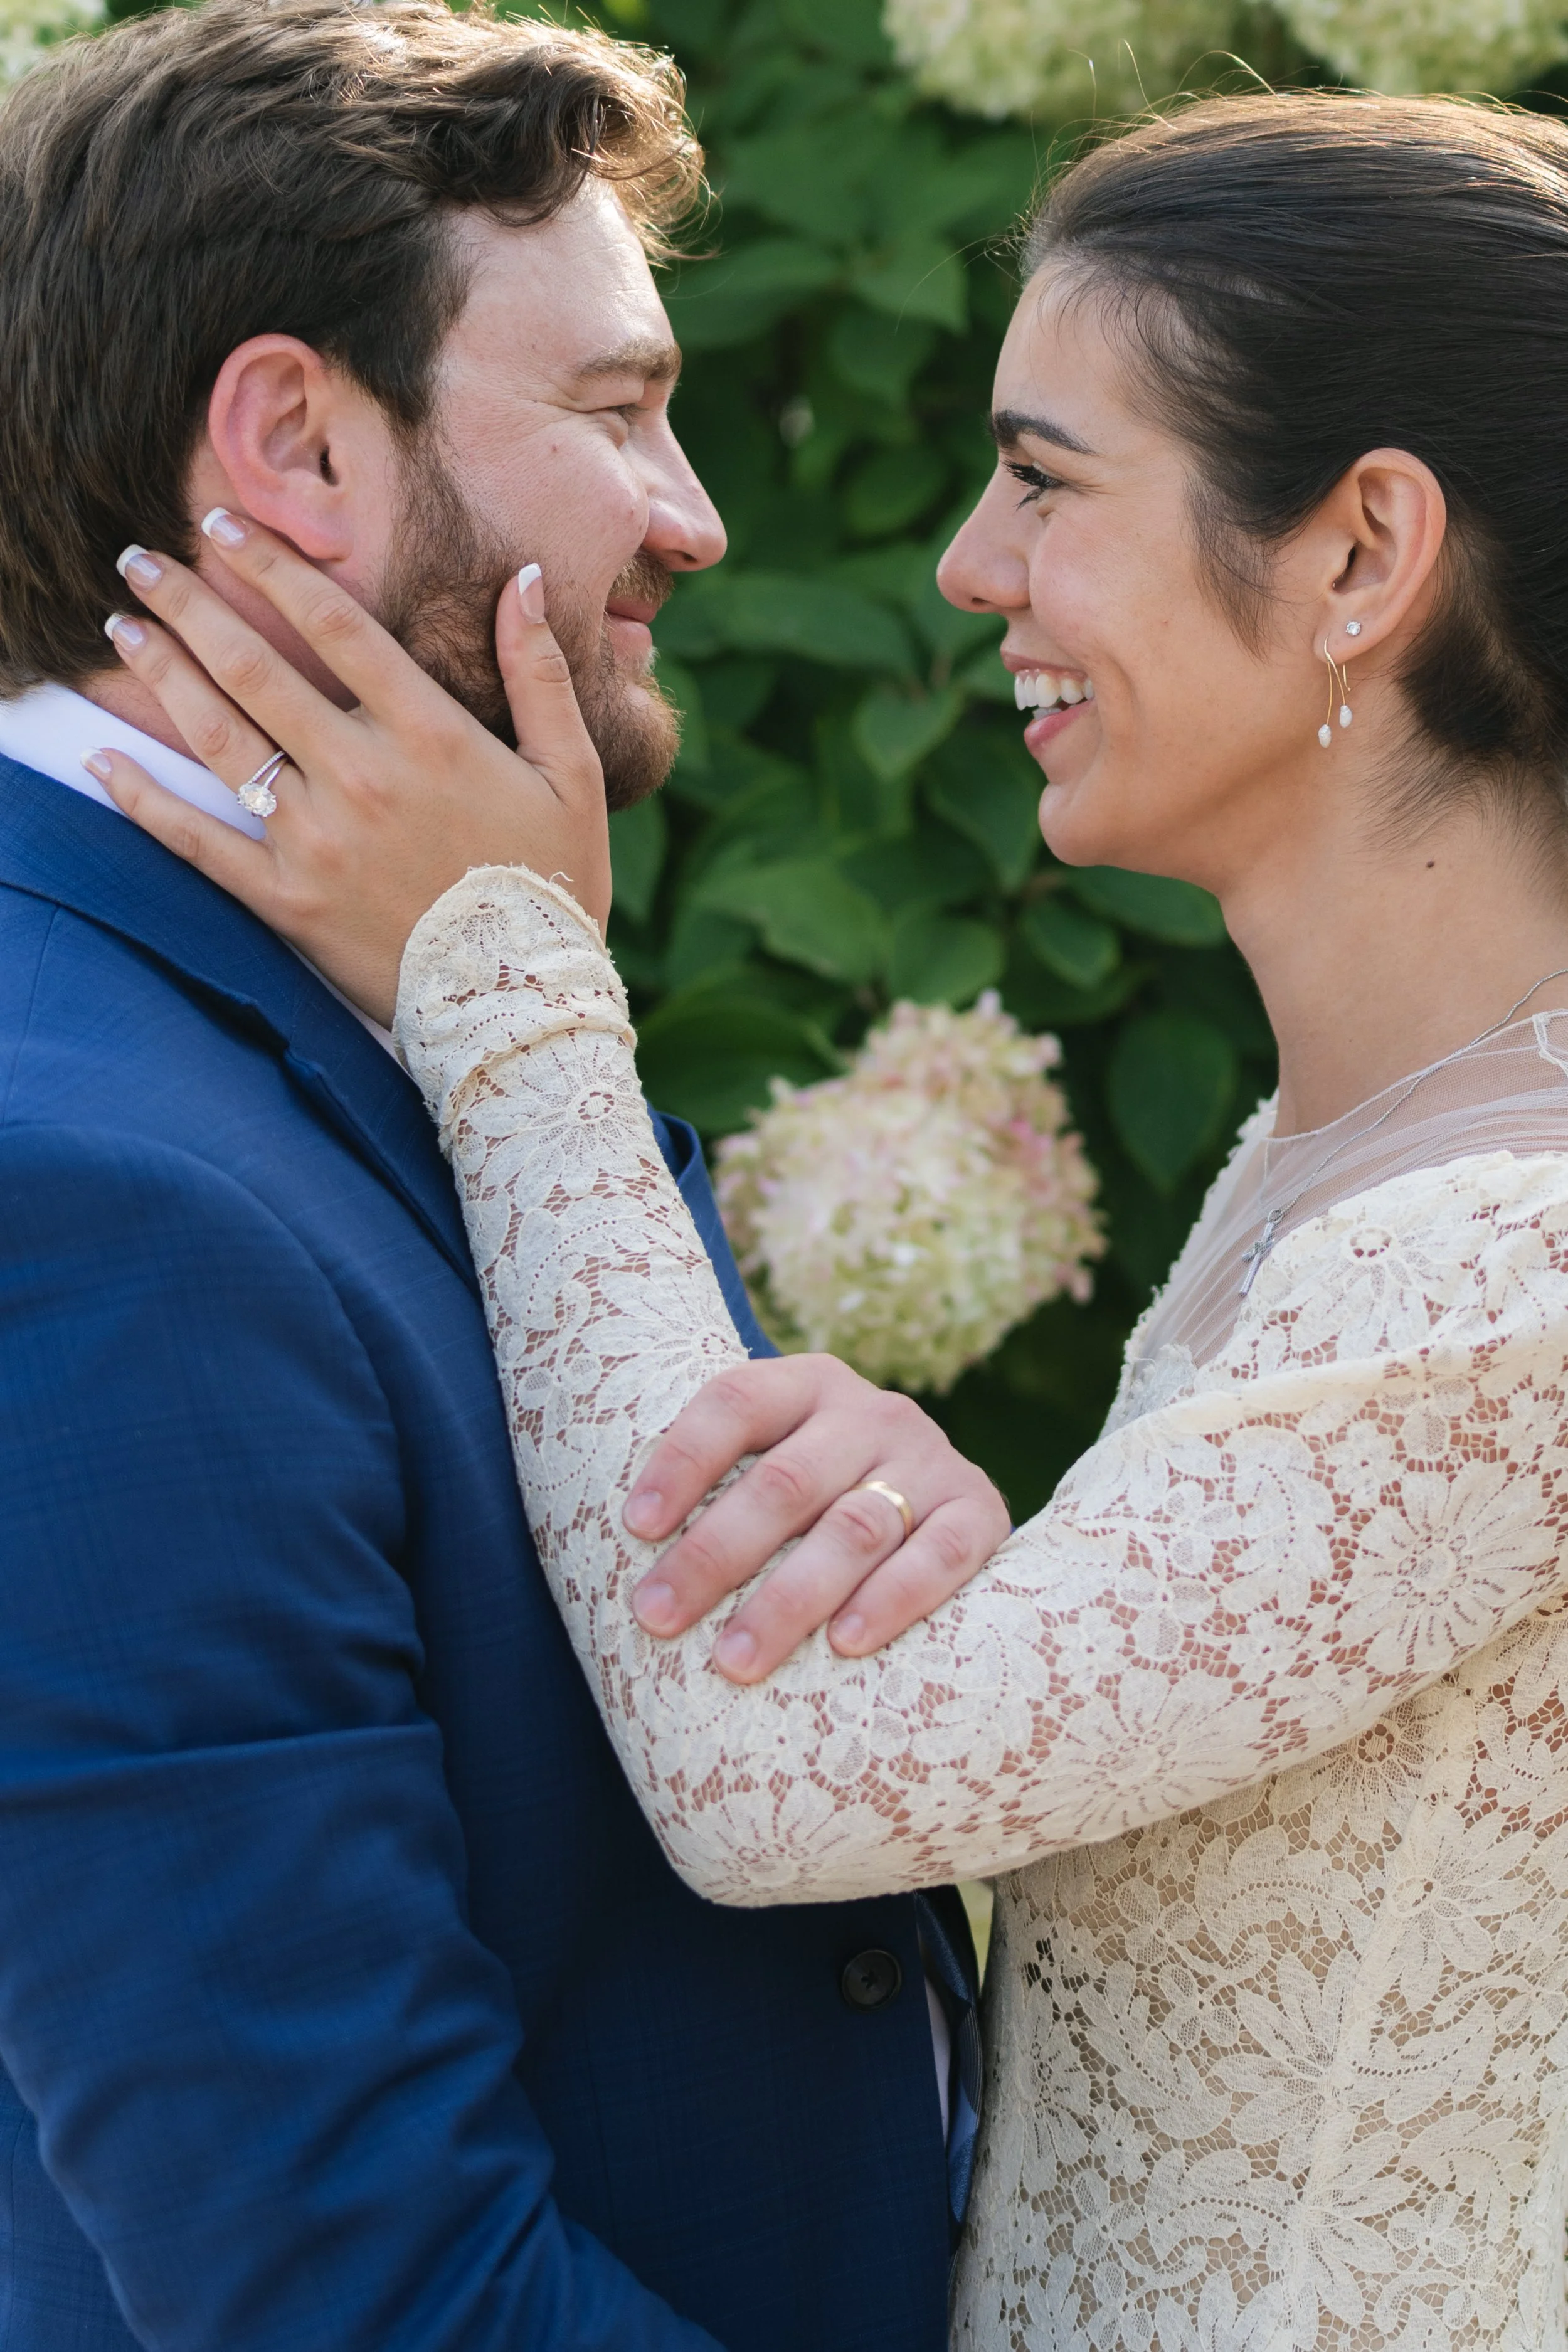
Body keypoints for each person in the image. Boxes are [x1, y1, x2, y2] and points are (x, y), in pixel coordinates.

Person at [109, 90, 1568, 2346]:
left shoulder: (1506, 1251)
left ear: (1361, 553)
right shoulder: (1337, 1155)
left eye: (1048, 480)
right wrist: (946, 1585)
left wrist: (510, 986)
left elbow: (777, 1788)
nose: (970, 568)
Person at [0, 6, 1009, 2349]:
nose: (694, 519)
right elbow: (357, 2287)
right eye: (614, 410)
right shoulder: (79, 1187)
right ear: (296, 442)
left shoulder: (416, 1000)